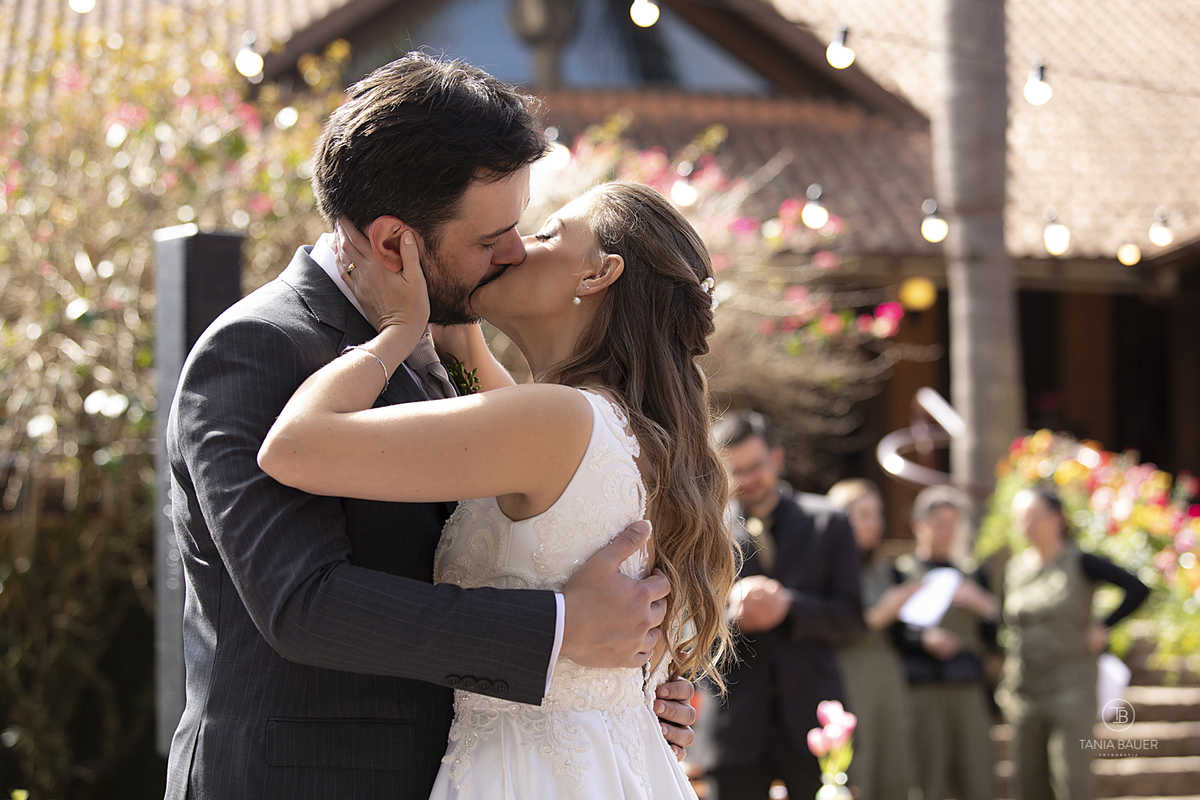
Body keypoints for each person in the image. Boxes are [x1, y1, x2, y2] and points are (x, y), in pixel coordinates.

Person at [165, 54, 698, 799]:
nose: (513, 252)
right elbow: (303, 604)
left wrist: (622, 695)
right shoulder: (259, 348)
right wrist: (557, 634)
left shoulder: (451, 348)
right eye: (491, 240)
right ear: (394, 246)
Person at [258, 178, 738, 799]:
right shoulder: (641, 440)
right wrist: (464, 338)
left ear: (597, 274)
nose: (513, 248)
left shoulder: (556, 421)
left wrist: (401, 328)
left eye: (545, 235)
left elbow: (293, 446)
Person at [700, 410, 864, 800]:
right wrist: (730, 615)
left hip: (812, 719)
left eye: (755, 466)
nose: (747, 480)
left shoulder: (829, 522)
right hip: (734, 720)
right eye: (734, 470)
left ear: (777, 458)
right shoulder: (707, 530)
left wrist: (789, 606)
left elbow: (852, 618)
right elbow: (686, 625)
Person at [999, 487, 1149, 800]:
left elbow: (1137, 588)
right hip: (1025, 689)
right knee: (1027, 784)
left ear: (1056, 519)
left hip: (1070, 688)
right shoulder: (1015, 569)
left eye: (1032, 517)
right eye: (1020, 518)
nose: (1025, 525)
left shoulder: (1080, 562)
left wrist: (1104, 625)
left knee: (1071, 781)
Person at [894, 485, 1000, 800]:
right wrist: (922, 637)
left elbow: (996, 640)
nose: (947, 532)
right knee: (928, 782)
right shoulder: (901, 573)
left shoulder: (972, 575)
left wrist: (988, 608)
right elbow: (889, 634)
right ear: (919, 526)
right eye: (939, 523)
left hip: (968, 688)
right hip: (922, 690)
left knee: (977, 778)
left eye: (953, 524)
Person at [827, 479, 918, 800]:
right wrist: (883, 611)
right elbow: (829, 623)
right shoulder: (826, 568)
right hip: (848, 675)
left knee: (893, 765)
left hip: (888, 675)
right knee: (856, 766)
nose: (874, 523)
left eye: (877, 514)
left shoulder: (884, 569)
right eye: (863, 514)